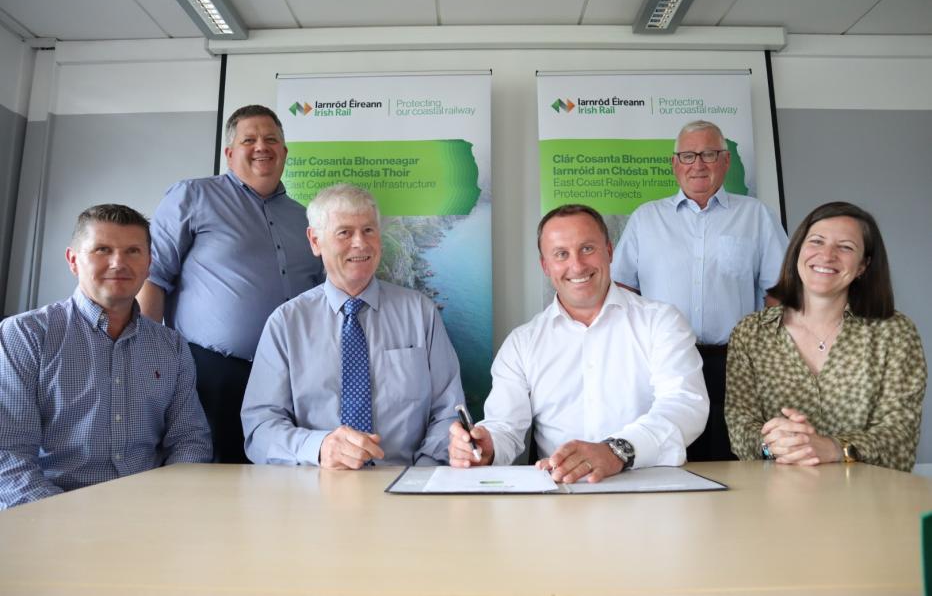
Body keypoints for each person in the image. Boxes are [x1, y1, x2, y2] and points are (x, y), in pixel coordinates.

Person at [448, 204, 708, 483]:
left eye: (587, 249)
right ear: (546, 266)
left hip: (653, 493)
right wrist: (487, 446)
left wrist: (616, 452)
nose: (577, 265)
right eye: (561, 254)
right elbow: (505, 426)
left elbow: (684, 406)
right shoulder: (522, 343)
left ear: (609, 252)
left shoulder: (662, 322)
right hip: (561, 497)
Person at [138, 104, 324, 464]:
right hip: (211, 373)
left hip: (293, 375)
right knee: (208, 473)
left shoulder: (306, 219)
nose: (261, 147)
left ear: (284, 152)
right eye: (249, 139)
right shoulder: (193, 196)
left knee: (283, 472)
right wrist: (146, 361)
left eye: (271, 139)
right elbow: (154, 277)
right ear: (229, 153)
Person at [0, 204, 212, 510]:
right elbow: (8, 453)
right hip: (51, 517)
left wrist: (169, 505)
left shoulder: (171, 346)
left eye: (133, 251)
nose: (118, 263)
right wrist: (61, 519)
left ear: (149, 263)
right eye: (102, 249)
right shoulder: (25, 335)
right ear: (73, 261)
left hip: (150, 516)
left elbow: (190, 440)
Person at [241, 184, 465, 468]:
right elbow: (260, 429)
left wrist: (421, 474)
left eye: (369, 230)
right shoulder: (286, 324)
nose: (360, 243)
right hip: (313, 489)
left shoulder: (420, 313)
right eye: (344, 232)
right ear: (315, 241)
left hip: (405, 486)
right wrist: (320, 448)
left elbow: (449, 411)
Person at [610, 119, 788, 461]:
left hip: (734, 364)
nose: (699, 164)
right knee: (669, 454)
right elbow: (622, 289)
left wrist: (768, 359)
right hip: (662, 363)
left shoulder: (756, 216)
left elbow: (778, 293)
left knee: (731, 458)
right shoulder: (646, 219)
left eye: (709, 153)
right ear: (675, 164)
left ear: (726, 161)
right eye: (688, 155)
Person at [725, 202, 927, 472]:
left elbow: (899, 438)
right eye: (817, 241)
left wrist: (833, 447)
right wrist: (774, 445)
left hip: (869, 500)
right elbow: (741, 428)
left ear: (863, 266)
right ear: (798, 251)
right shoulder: (750, 333)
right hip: (777, 498)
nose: (827, 255)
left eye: (845, 247)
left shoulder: (895, 333)